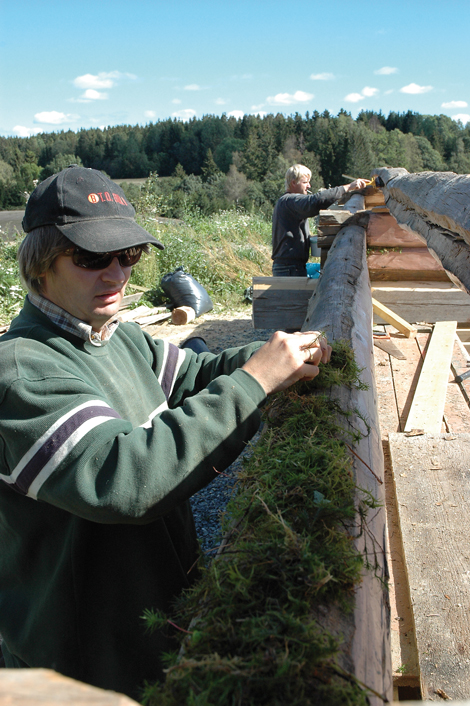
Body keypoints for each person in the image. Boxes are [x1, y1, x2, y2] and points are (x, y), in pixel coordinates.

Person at [0, 166, 332, 700]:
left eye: (127, 255)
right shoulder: (24, 372)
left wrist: (276, 355)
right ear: (40, 263)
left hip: (151, 628)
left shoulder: (118, 337)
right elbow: (126, 479)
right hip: (83, 663)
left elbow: (197, 377)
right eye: (91, 258)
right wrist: (256, 381)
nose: (116, 274)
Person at [271, 164, 369, 276]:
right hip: (289, 269)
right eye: (305, 182)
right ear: (293, 183)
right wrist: (347, 187)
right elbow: (315, 201)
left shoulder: (288, 202)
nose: (309, 186)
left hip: (290, 267)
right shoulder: (289, 201)